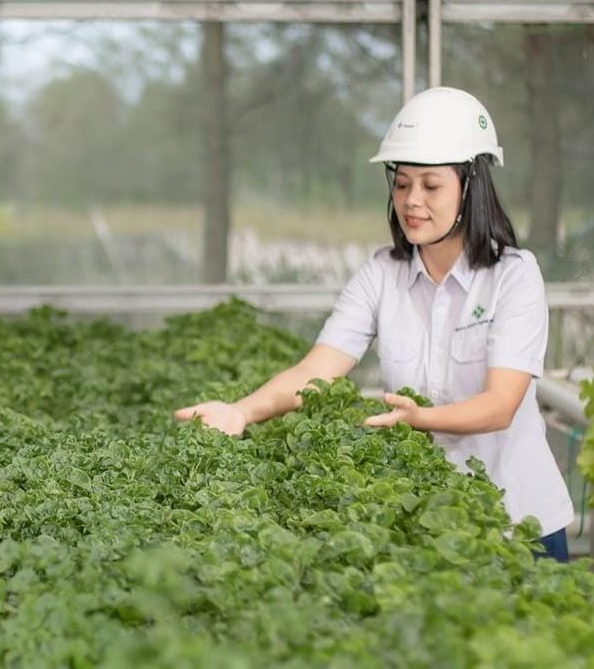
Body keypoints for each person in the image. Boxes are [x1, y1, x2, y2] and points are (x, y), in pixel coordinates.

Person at [175, 86, 573, 562]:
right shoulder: (382, 274)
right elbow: (314, 373)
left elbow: (500, 405)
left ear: (471, 186)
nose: (411, 201)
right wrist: (242, 411)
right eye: (401, 183)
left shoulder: (514, 276)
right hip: (429, 524)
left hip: (519, 526)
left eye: (431, 185)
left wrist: (418, 419)